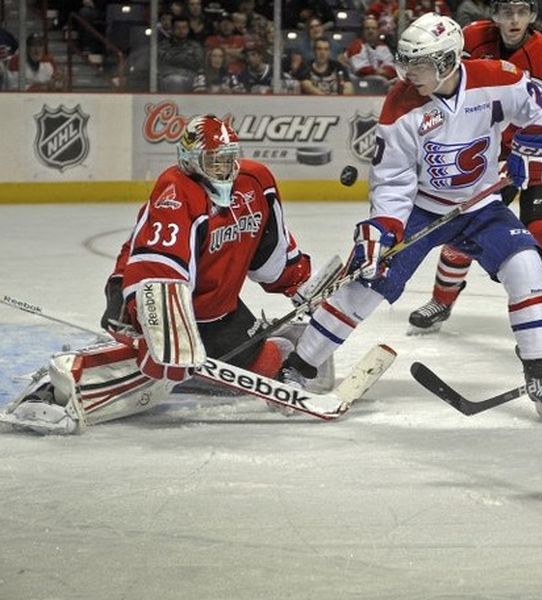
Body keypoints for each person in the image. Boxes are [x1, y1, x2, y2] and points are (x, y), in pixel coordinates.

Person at [280, 13, 542, 423]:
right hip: (421, 209)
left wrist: (538, 142)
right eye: (404, 62)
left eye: (417, 64)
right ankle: (297, 368)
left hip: (479, 206)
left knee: (526, 264)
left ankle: (540, 374)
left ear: (447, 62)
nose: (407, 73)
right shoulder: (401, 104)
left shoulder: (497, 78)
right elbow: (393, 179)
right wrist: (384, 226)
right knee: (368, 282)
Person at [3, 115, 323, 435]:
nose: (225, 169)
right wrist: (164, 332)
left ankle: (193, 367)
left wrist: (300, 284)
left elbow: (270, 253)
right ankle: (59, 384)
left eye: (229, 160)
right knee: (159, 369)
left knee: (266, 365)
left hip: (217, 312)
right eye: (214, 162)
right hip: (146, 296)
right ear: (191, 160)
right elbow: (158, 271)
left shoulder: (255, 182)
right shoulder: (176, 189)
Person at [407, 0, 542, 345]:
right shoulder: (470, 39)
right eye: (505, 12)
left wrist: (535, 150)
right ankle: (441, 301)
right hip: (492, 149)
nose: (513, 20)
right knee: (468, 220)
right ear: (494, 14)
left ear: (532, 16)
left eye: (521, 12)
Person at [158, 16, 205, 92]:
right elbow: (163, 60)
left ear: (188, 30)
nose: (181, 30)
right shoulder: (163, 46)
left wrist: (174, 56)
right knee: (175, 80)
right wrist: (186, 57)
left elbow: (197, 63)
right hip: (168, 78)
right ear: (172, 29)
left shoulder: (195, 46)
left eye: (184, 28)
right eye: (178, 28)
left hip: (191, 79)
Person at [345, 16, 396, 83]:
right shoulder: (356, 46)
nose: (370, 31)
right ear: (362, 31)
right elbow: (360, 70)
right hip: (361, 84)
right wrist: (379, 71)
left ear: (378, 31)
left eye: (373, 28)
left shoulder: (383, 47)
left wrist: (381, 72)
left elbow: (392, 69)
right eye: (367, 28)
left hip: (381, 83)